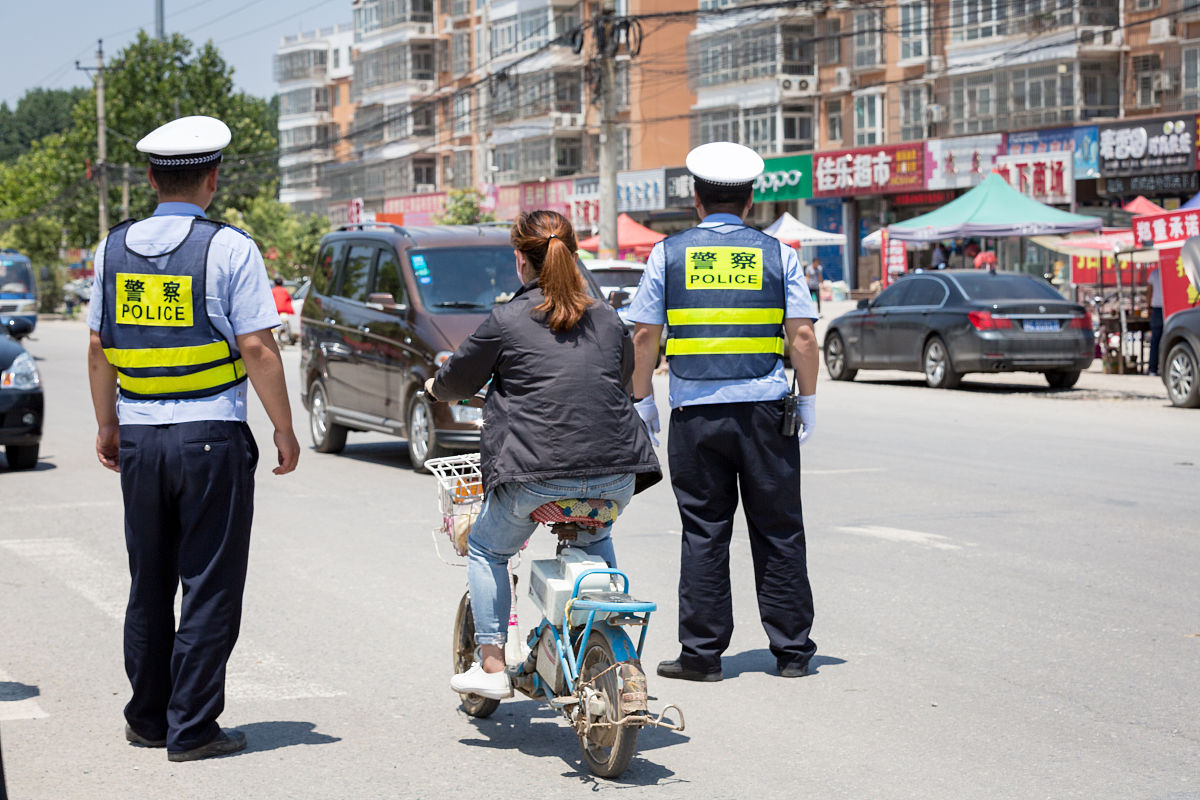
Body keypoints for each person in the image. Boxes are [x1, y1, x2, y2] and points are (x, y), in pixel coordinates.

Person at [86, 116, 301, 762]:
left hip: (142, 441)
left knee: (148, 581)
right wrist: (284, 428)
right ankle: (193, 728)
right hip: (210, 437)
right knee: (208, 583)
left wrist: (106, 423)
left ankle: (149, 719)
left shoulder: (111, 249)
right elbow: (258, 347)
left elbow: (98, 346)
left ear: (150, 178)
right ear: (212, 180)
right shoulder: (231, 248)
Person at [426, 210, 661, 699]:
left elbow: (456, 380)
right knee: (594, 539)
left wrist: (436, 387)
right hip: (617, 475)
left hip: (537, 478)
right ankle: (592, 629)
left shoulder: (507, 319)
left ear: (519, 261)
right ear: (573, 255)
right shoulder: (607, 318)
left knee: (489, 549)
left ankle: (491, 665)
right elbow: (614, 383)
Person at [627, 141, 819, 682]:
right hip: (765, 414)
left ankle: (702, 656)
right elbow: (802, 335)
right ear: (751, 200)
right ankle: (793, 653)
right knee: (779, 529)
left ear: (696, 198)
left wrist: (644, 401)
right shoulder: (778, 254)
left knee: (705, 531)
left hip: (696, 417)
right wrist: (807, 400)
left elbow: (644, 335)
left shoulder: (668, 254)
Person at [1147, 266, 1163, 375]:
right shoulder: (1172, 271)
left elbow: (1149, 291)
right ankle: (1160, 368)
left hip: (1157, 309)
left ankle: (1152, 369)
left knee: (1155, 340)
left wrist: (1148, 306)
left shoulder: (1154, 273)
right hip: (1167, 309)